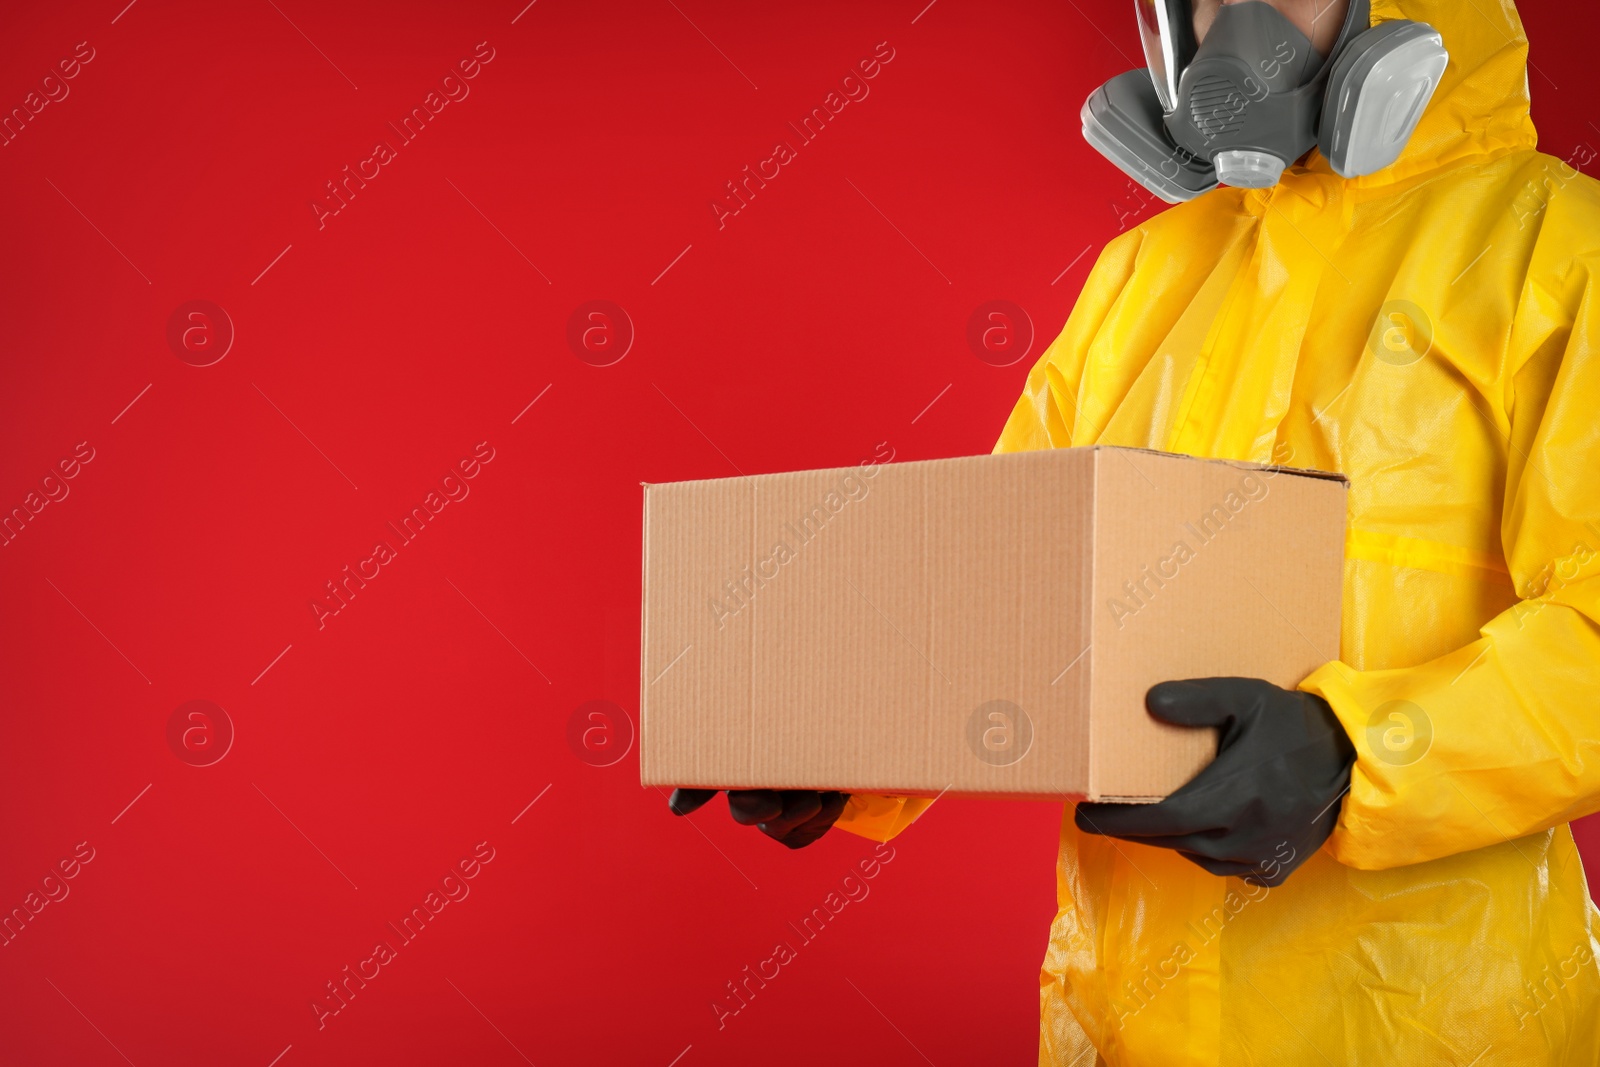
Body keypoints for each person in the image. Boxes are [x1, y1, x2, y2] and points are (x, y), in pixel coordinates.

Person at [672, 0, 1600, 1061]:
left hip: (1441, 1024)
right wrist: (843, 738)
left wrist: (1359, 751)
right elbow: (1008, 597)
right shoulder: (1136, 280)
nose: (1230, 21)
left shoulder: (1558, 257)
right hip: (1124, 1021)